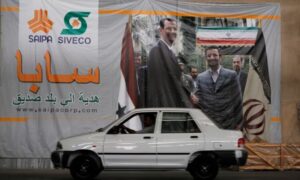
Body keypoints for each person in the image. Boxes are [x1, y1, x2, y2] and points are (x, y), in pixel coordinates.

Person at [194, 46, 243, 130]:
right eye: (209, 56)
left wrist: (239, 123)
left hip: (228, 125)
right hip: (207, 126)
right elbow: (199, 101)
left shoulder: (231, 75)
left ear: (220, 57)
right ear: (206, 58)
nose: (212, 57)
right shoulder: (200, 78)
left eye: (215, 55)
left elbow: (238, 100)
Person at [147, 18, 192, 107]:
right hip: (165, 106)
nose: (173, 31)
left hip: (173, 104)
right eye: (169, 28)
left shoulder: (170, 51)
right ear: (161, 30)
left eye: (175, 29)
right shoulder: (156, 51)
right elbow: (161, 84)